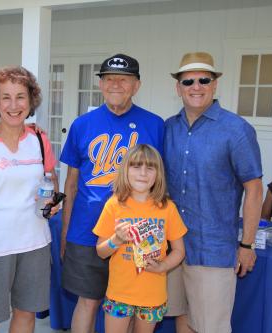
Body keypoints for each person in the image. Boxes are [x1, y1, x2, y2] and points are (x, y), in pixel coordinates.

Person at [60, 53, 164, 333]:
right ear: (101, 85)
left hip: (139, 232)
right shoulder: (82, 124)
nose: (116, 84)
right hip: (86, 231)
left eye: (124, 79)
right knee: (88, 302)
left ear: (137, 85)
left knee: (130, 306)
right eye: (109, 79)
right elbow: (70, 184)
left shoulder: (155, 125)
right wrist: (65, 235)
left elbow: (163, 184)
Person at [164, 51, 263, 333]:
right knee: (181, 317)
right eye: (188, 81)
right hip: (172, 248)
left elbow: (254, 190)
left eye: (204, 79)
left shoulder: (237, 130)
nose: (196, 86)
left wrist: (247, 245)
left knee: (210, 327)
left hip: (213, 251)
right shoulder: (168, 128)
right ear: (178, 87)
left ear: (215, 84)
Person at [0, 66, 59, 333]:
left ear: (31, 101)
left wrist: (54, 202)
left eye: (20, 96)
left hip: (35, 241)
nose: (13, 105)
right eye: (5, 97)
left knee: (26, 312)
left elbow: (51, 179)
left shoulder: (40, 139)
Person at [93, 144, 187, 333]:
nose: (143, 173)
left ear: (158, 173)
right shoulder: (114, 205)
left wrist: (163, 266)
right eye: (136, 166)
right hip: (119, 293)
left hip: (152, 295)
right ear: (125, 170)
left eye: (150, 168)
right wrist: (116, 240)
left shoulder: (167, 208)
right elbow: (101, 251)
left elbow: (179, 251)